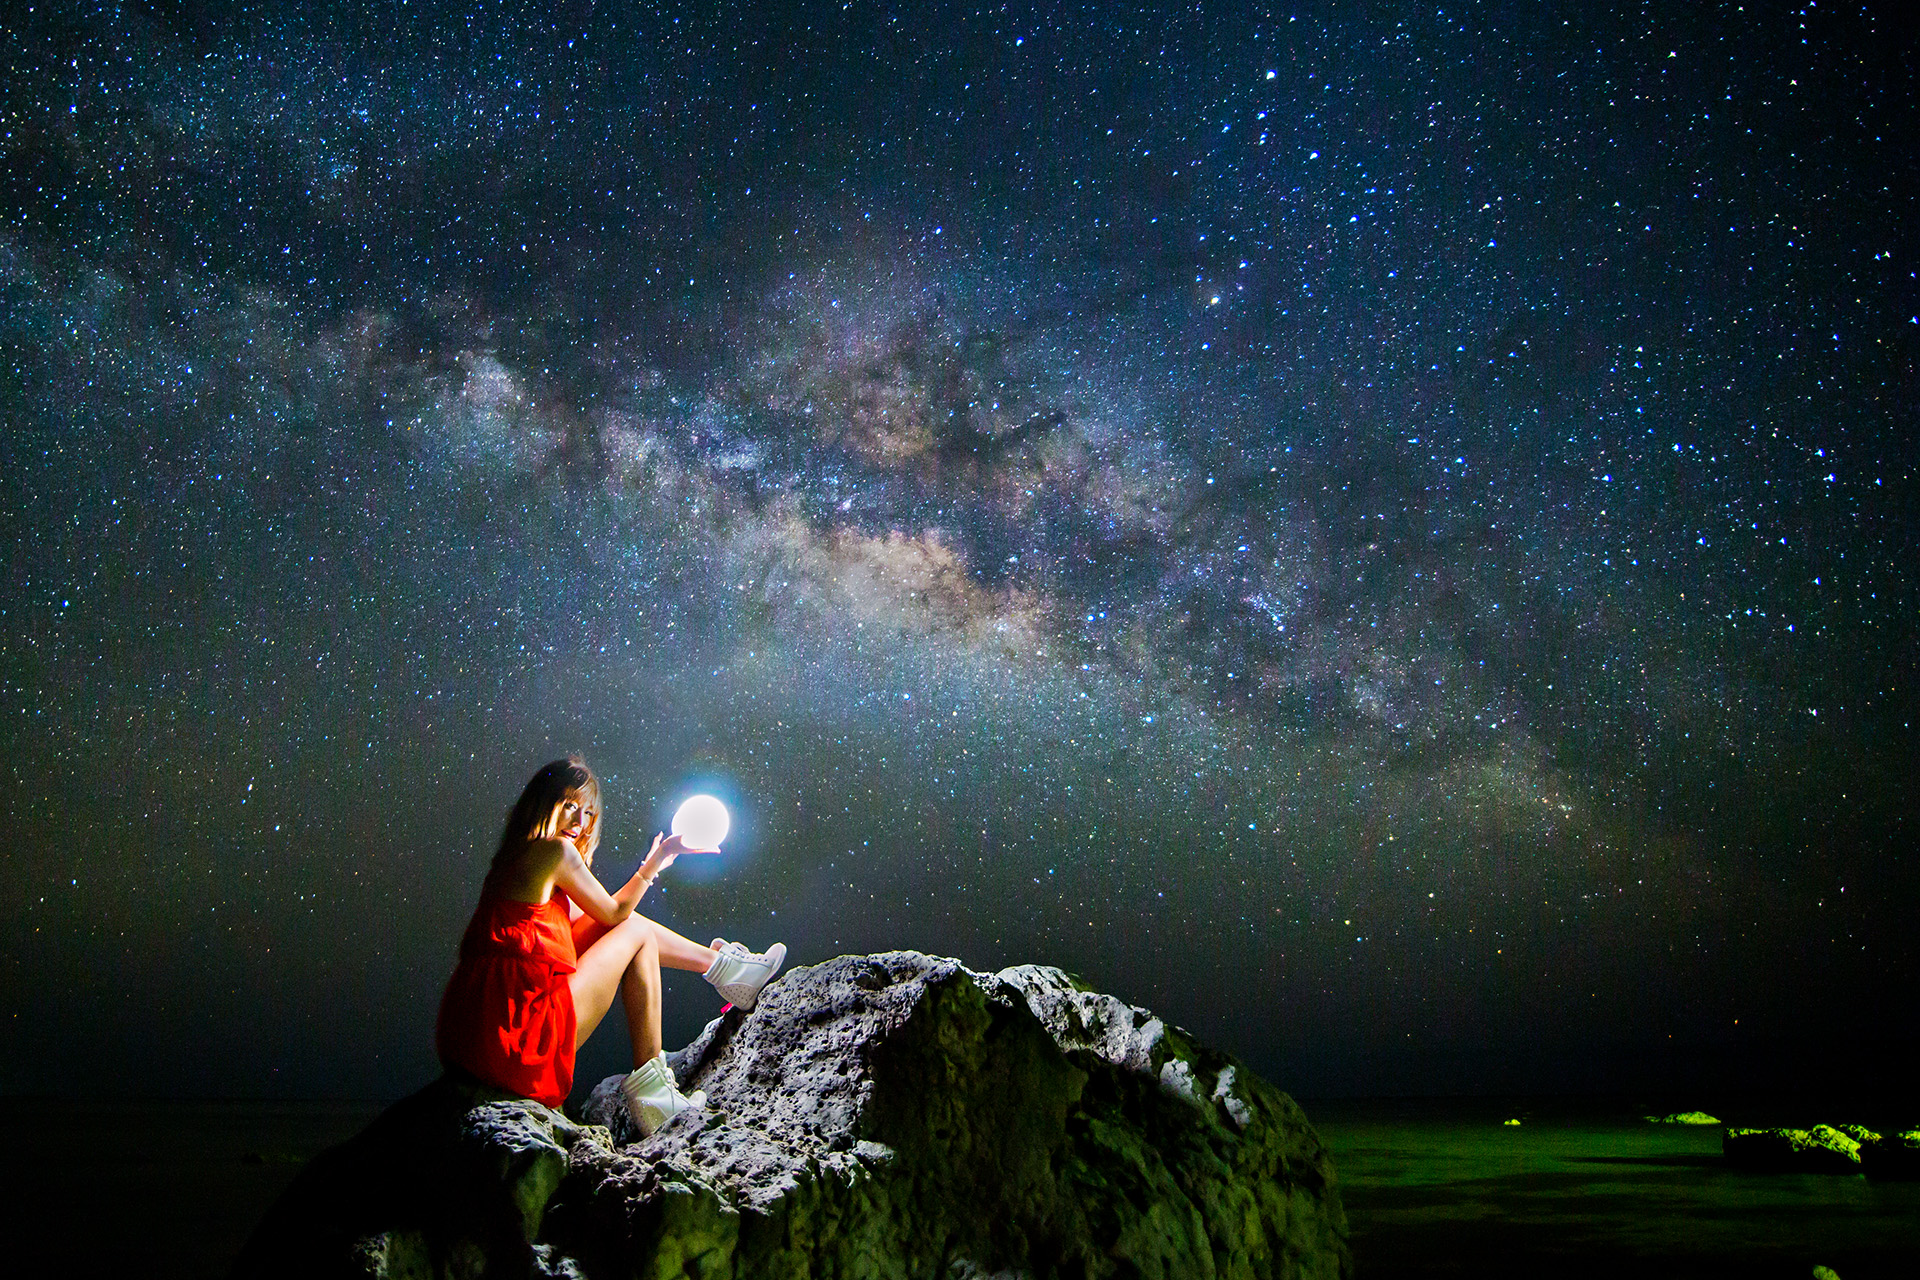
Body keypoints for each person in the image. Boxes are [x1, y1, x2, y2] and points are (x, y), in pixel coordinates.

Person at [435, 756, 785, 1134]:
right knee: (636, 934)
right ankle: (655, 1097)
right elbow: (616, 912)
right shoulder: (555, 852)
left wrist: (649, 873)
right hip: (516, 1036)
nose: (579, 822)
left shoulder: (518, 857)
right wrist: (658, 860)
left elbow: (600, 923)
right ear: (542, 802)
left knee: (629, 928)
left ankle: (727, 970)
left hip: (474, 1033)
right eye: (569, 805)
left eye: (587, 812)